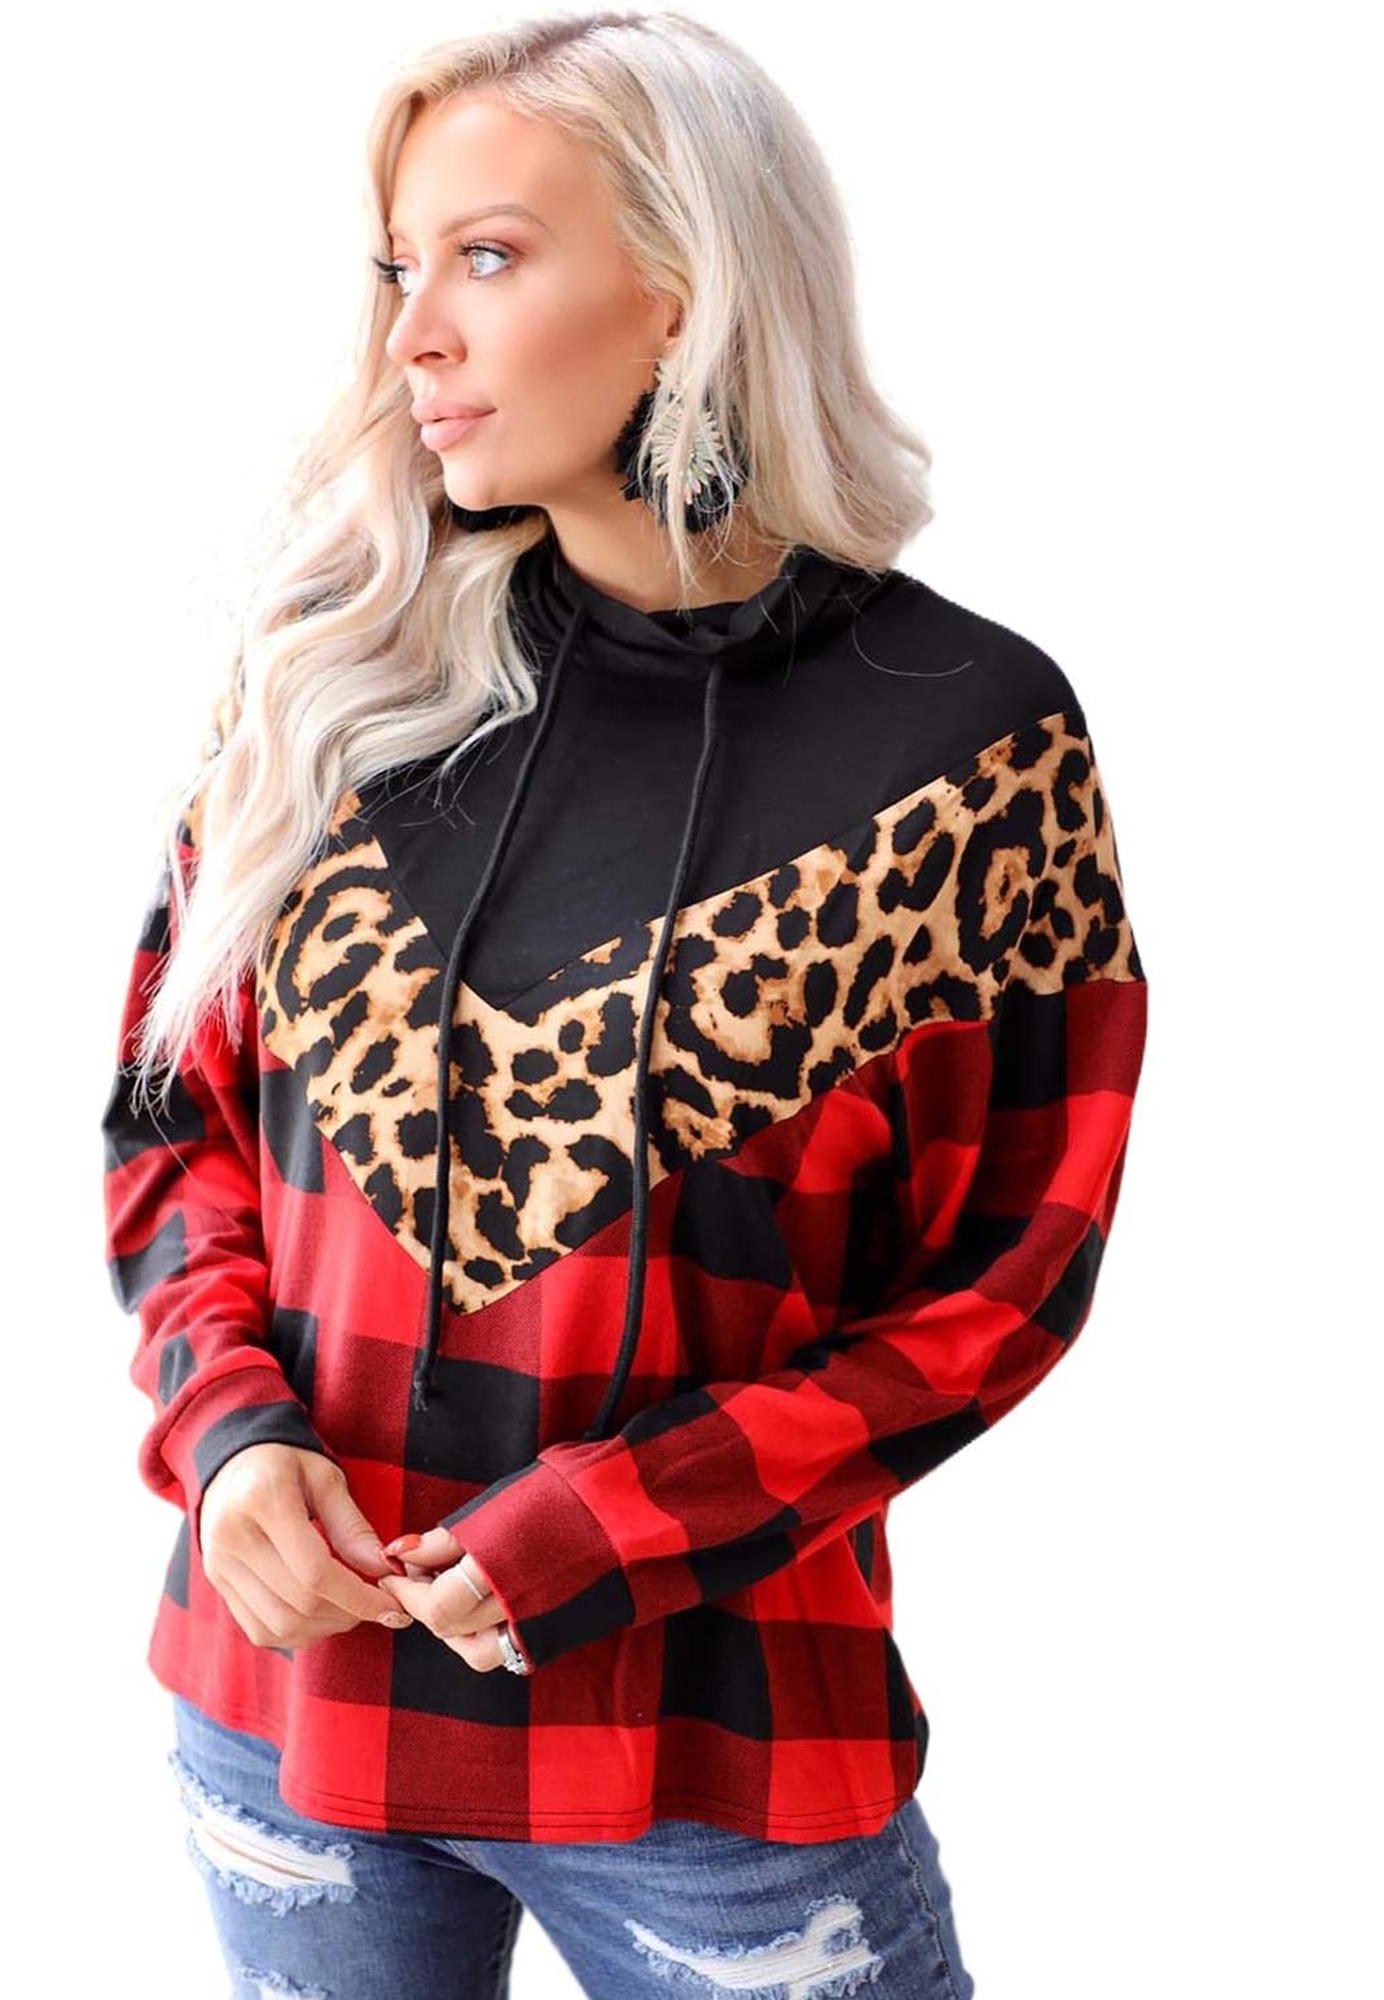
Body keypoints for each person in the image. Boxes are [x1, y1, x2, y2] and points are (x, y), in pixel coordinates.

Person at [99, 12, 1147, 1996]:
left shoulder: (964, 746)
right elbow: (175, 1130)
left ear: (687, 289)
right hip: (287, 1711)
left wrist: (620, 1519)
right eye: (400, 267)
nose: (414, 333)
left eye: (487, 257)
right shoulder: (335, 672)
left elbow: (1003, 1283)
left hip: (707, 1755)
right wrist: (228, 1434)